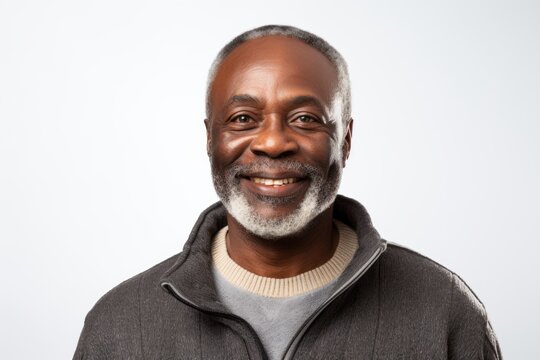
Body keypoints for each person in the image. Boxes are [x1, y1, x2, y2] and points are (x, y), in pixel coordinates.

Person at [73, 25, 502, 360]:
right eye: (243, 118)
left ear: (346, 140)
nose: (274, 143)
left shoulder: (444, 313)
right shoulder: (121, 325)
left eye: (305, 118)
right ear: (210, 138)